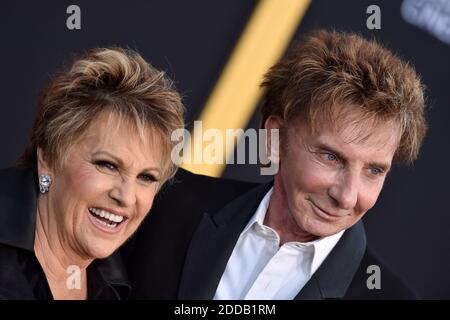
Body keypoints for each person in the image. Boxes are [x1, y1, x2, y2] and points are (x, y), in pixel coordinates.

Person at [123, 29, 427, 299]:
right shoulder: (166, 205)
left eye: (374, 170)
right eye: (331, 157)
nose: (347, 196)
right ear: (276, 139)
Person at [0, 47, 185, 299]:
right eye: (107, 165)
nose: (127, 197)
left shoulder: (119, 286)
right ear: (48, 158)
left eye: (147, 177)